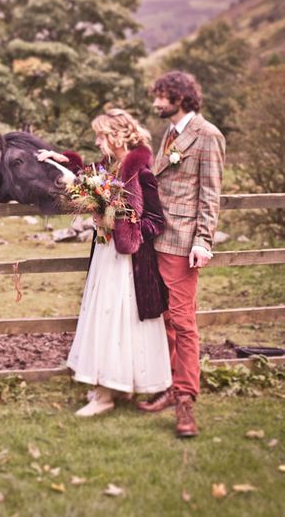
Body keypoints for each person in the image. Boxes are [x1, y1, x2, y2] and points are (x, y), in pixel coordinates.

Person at [38, 109, 171, 417]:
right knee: (102, 318)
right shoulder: (111, 166)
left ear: (116, 136)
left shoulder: (140, 171)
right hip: (106, 256)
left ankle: (105, 394)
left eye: (101, 136)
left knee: (119, 321)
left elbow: (155, 220)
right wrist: (61, 160)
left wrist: (127, 228)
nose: (97, 141)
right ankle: (113, 385)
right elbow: (87, 176)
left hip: (129, 263)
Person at [137, 71, 226, 438]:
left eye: (162, 96)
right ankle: (172, 386)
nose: (156, 103)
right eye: (156, 96)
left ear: (181, 97)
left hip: (183, 242)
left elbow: (210, 194)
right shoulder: (169, 133)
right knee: (166, 319)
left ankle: (186, 400)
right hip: (158, 238)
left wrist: (203, 241)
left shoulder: (208, 136)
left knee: (184, 321)